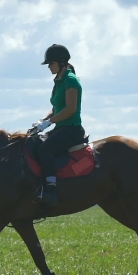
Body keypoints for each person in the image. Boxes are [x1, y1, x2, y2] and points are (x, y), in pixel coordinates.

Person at [32, 44, 86, 206]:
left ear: (61, 62)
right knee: (34, 143)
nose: (48, 66)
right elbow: (56, 108)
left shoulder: (70, 80)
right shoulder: (59, 81)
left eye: (51, 63)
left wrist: (49, 122)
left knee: (45, 150)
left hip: (72, 130)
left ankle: (51, 190)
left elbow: (70, 109)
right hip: (60, 128)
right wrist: (42, 121)